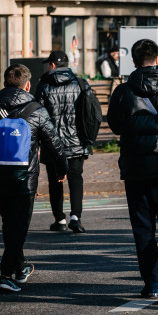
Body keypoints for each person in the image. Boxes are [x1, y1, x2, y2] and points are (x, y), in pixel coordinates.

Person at [107, 39, 158, 300]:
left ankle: (150, 284)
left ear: (134, 61)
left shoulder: (123, 90)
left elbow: (116, 126)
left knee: (142, 227)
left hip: (135, 168)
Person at [0, 64, 68, 293]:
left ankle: (19, 268)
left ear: (4, 82)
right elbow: (55, 143)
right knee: (18, 228)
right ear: (27, 84)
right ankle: (4, 274)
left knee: (9, 226)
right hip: (23, 178)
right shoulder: (36, 110)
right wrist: (62, 168)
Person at [36, 50, 93, 234]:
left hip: (52, 143)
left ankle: (59, 219)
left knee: (55, 181)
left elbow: (39, 116)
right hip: (77, 141)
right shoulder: (79, 83)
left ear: (52, 65)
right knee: (76, 178)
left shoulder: (44, 85)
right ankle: (76, 217)